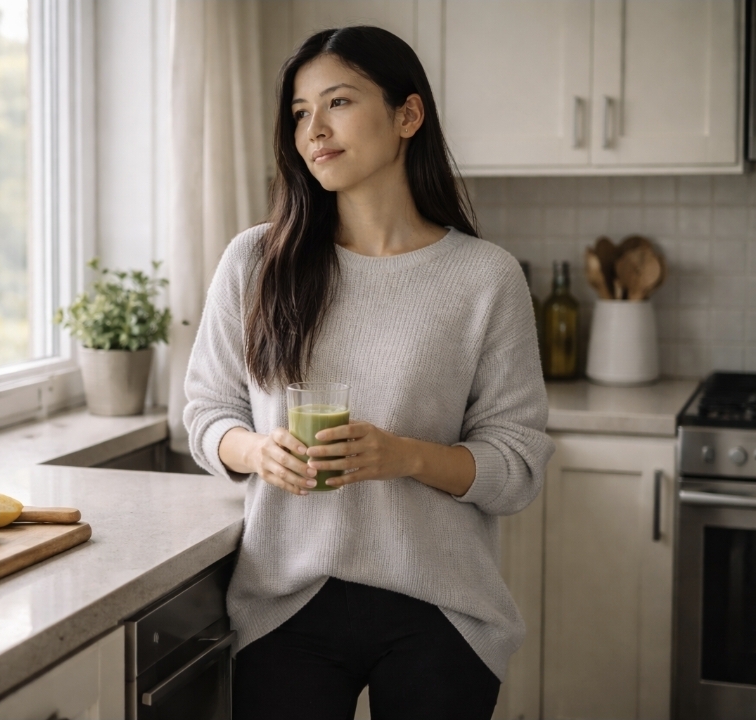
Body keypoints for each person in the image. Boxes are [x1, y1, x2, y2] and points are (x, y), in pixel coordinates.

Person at [182, 25, 555, 720]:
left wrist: (405, 456)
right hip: (285, 595)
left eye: (339, 103)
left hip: (440, 601)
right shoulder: (255, 262)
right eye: (299, 112)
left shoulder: (484, 276)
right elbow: (207, 412)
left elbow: (518, 465)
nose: (314, 129)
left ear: (407, 116)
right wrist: (257, 451)